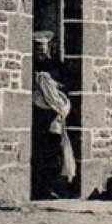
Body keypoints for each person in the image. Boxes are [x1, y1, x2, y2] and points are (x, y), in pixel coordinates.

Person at [31, 31, 77, 199]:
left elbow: (67, 84)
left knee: (54, 150)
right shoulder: (30, 66)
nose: (41, 51)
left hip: (53, 115)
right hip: (38, 114)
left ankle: (53, 186)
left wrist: (55, 88)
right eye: (37, 48)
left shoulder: (55, 66)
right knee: (40, 151)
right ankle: (40, 188)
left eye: (43, 48)